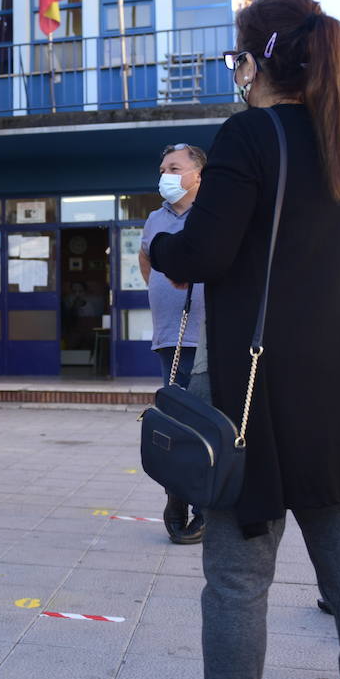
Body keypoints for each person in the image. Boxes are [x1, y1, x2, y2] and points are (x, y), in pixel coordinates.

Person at [152, 0, 340, 679]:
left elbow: (204, 252)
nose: (237, 72)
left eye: (238, 58)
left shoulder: (250, 136)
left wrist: (158, 248)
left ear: (258, 60)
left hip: (255, 400)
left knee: (236, 581)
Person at [138, 142, 209, 545]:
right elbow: (147, 259)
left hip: (208, 338)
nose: (165, 174)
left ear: (197, 174)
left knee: (204, 422)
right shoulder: (154, 218)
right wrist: (159, 291)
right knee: (176, 422)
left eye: (174, 167)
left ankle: (204, 505)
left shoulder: (213, 214)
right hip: (170, 337)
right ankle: (176, 497)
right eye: (162, 167)